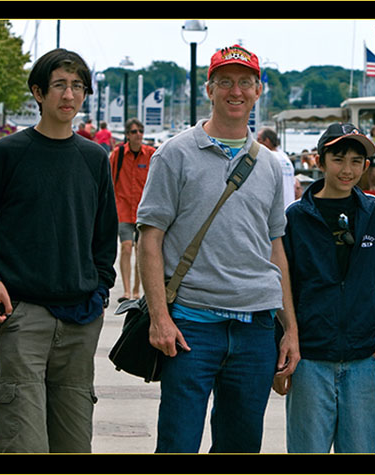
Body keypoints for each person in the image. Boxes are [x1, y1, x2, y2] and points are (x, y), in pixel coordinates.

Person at [136, 44, 300, 453]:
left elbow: (275, 247)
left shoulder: (270, 165)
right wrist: (159, 317)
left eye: (245, 82)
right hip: (191, 326)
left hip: (256, 328)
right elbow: (149, 238)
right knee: (177, 444)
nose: (235, 91)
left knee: (241, 447)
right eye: (225, 81)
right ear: (209, 89)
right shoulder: (174, 154)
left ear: (258, 90)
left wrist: (290, 328)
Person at [0, 48, 118, 453]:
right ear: (38, 93)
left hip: (81, 321)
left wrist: (100, 292)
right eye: (60, 85)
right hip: (23, 315)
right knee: (22, 442)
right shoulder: (9, 153)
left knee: (74, 444)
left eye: (78, 86)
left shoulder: (95, 159)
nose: (69, 95)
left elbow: (104, 239)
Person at [276, 122, 375, 453]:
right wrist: (282, 347)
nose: (347, 169)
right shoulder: (296, 217)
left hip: (361, 356)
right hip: (311, 357)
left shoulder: (373, 212)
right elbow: (284, 286)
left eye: (357, 161)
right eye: (338, 158)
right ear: (320, 159)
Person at [109, 119, 155, 302]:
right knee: (126, 246)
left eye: (141, 131)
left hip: (143, 210)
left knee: (139, 249)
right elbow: (109, 180)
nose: (139, 135)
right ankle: (127, 290)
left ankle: (137, 289)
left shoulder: (151, 154)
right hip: (123, 208)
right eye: (135, 132)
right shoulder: (118, 155)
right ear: (127, 135)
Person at [258, 127, 295, 208]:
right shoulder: (285, 158)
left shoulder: (267, 158)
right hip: (289, 206)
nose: (257, 143)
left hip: (276, 209)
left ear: (267, 141)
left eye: (259, 140)